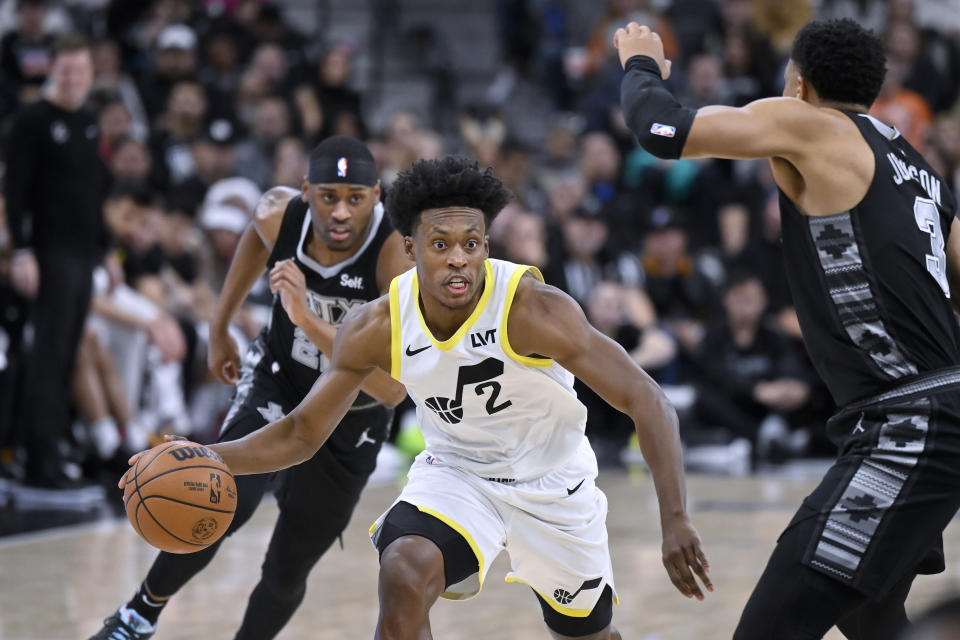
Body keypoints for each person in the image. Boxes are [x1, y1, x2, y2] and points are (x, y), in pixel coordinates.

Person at [125, 156, 713, 639]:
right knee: (403, 573)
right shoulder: (377, 324)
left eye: (471, 242)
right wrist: (210, 456)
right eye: (440, 243)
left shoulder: (534, 309)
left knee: (586, 634)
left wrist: (676, 519)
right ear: (410, 248)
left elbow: (647, 399)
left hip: (553, 481)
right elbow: (304, 432)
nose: (458, 258)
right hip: (458, 474)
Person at [615, 17, 960, 640]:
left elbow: (662, 129)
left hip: (909, 426)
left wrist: (640, 63)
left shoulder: (809, 123)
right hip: (928, 413)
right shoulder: (918, 168)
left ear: (797, 83)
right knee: (870, 614)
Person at [90, 136, 411, 640]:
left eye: (355, 198)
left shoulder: (395, 256)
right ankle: (136, 617)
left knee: (288, 570)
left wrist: (305, 317)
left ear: (377, 195)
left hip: (355, 412)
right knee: (216, 490)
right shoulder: (278, 212)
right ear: (305, 191)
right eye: (328, 196)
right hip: (278, 379)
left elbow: (393, 389)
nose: (341, 212)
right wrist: (220, 328)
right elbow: (253, 245)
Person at [3, 34, 112, 487]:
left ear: (90, 73)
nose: (73, 78)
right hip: (49, 253)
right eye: (65, 70)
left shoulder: (89, 121)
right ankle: (38, 460)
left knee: (68, 352)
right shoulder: (31, 120)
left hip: (84, 253)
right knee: (47, 353)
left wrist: (107, 251)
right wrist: (23, 251)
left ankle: (55, 445)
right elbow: (15, 190)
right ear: (51, 70)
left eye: (80, 71)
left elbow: (93, 195)